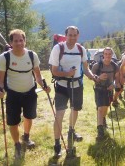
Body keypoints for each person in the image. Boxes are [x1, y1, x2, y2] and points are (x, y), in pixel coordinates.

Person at [0, 29, 51, 159]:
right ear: (11, 42)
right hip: (13, 94)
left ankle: (26, 136)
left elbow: (38, 76)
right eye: (16, 41)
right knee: (13, 122)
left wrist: (44, 86)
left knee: (29, 117)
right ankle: (17, 144)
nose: (19, 43)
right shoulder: (4, 58)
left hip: (30, 92)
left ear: (25, 41)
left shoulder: (32, 55)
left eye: (21, 40)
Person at [48, 26, 96, 157]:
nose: (72, 37)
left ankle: (71, 130)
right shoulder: (58, 48)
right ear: (66, 35)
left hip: (77, 85)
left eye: (75, 35)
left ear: (78, 36)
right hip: (62, 86)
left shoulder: (81, 49)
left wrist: (93, 77)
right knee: (60, 114)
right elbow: (54, 70)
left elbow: (86, 69)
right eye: (70, 35)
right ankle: (57, 144)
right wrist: (67, 73)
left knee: (75, 110)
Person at [91, 47, 120, 140]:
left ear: (112, 55)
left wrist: (114, 85)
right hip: (99, 89)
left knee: (106, 107)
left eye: (109, 54)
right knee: (100, 108)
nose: (108, 56)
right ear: (103, 55)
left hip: (109, 90)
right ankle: (100, 132)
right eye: (106, 54)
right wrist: (99, 78)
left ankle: (103, 120)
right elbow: (91, 77)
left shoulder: (115, 66)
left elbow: (117, 80)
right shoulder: (97, 65)